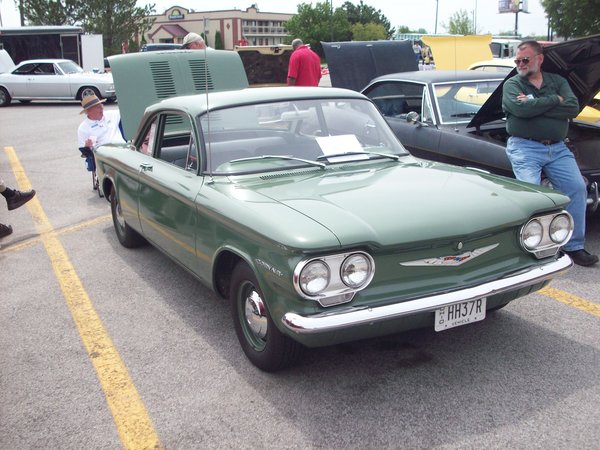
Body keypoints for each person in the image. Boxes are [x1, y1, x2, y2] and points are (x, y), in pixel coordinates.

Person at [502, 40, 598, 267]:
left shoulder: (558, 81)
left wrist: (535, 103)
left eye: (525, 59)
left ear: (540, 59)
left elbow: (573, 107)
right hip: (524, 147)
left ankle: (573, 246)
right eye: (517, 60)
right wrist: (555, 101)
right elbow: (519, 109)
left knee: (576, 187)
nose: (521, 64)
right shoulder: (513, 85)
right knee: (532, 194)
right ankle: (532, 247)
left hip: (557, 147)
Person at [77, 94, 125, 171]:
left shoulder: (111, 114)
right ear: (89, 111)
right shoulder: (83, 128)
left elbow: (126, 110)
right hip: (105, 159)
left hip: (123, 151)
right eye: (97, 106)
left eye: (101, 105)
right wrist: (87, 147)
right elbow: (85, 154)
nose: (101, 108)